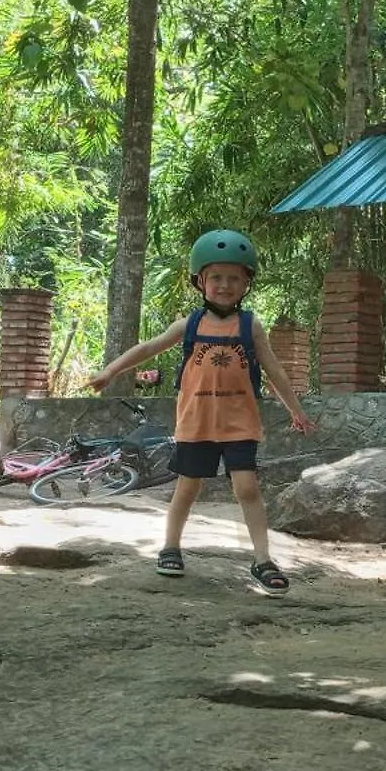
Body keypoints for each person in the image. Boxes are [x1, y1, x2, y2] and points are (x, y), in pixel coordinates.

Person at [89, 229, 317, 596]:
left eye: (233, 278)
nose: (224, 285)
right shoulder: (190, 324)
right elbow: (149, 347)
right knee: (187, 488)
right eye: (216, 278)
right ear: (200, 281)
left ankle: (262, 559)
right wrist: (110, 371)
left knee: (247, 488)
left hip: (240, 422)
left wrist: (296, 411)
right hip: (196, 423)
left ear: (247, 283)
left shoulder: (250, 326)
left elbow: (274, 371)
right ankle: (171, 546)